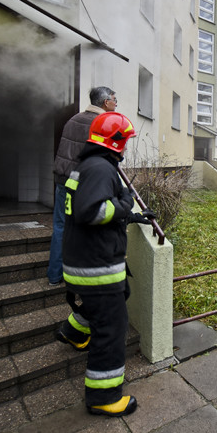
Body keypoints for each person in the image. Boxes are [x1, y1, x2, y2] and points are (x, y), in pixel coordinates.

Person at [55, 112, 154, 417]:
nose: (126, 147)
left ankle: (73, 332)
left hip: (83, 261)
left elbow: (90, 209)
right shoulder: (100, 168)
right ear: (117, 141)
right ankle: (103, 398)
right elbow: (93, 212)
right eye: (125, 141)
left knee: (114, 297)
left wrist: (132, 215)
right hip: (95, 267)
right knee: (112, 328)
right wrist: (125, 205)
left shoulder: (88, 165)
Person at [48, 86, 118, 285]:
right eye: (114, 100)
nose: (116, 103)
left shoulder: (74, 119)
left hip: (62, 179)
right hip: (84, 183)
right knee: (87, 228)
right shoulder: (101, 122)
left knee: (60, 227)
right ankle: (81, 278)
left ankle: (54, 275)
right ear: (106, 102)